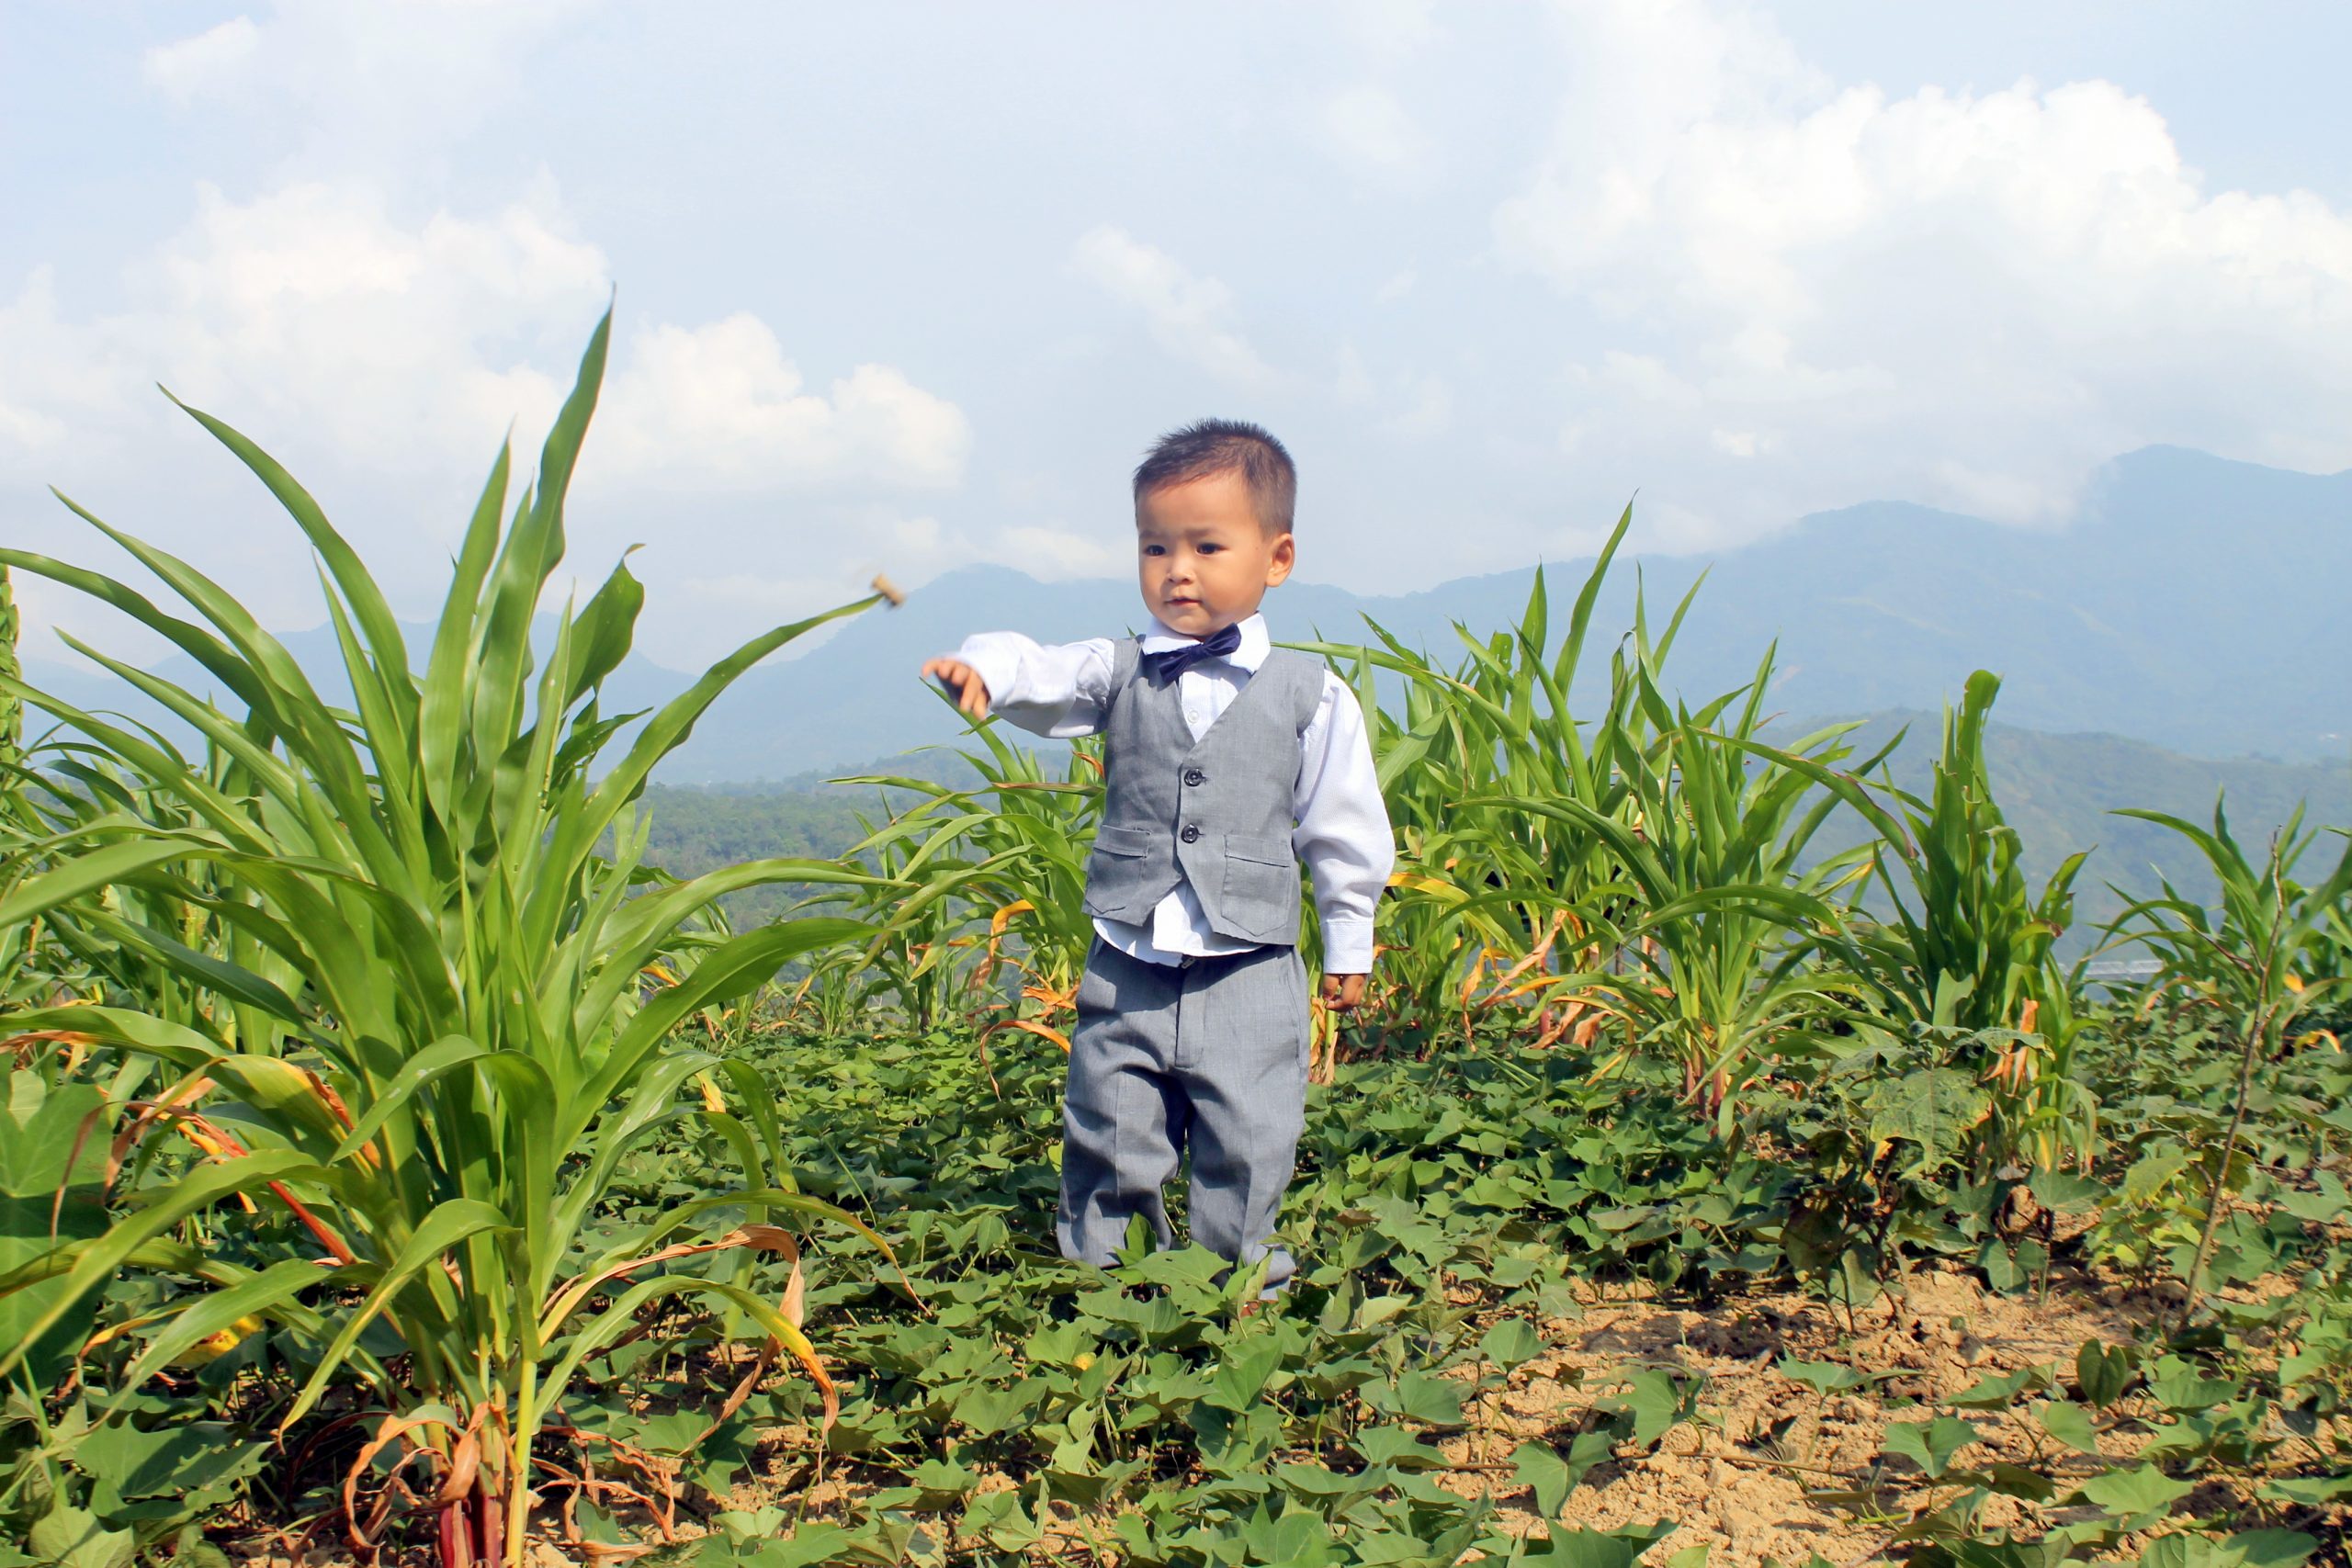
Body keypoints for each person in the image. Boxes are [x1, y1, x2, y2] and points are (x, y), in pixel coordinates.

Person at [921, 419, 1395, 1299]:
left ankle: (1238, 1286)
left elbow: (1343, 823)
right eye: (1155, 545)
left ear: (1277, 557)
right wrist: (985, 670)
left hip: (1250, 966)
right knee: (1108, 1119)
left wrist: (1350, 940)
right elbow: (1043, 667)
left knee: (1250, 1135)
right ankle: (1108, 1284)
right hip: (1128, 958)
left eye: (1208, 545)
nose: (1178, 568)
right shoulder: (1120, 667)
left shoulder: (1312, 695)